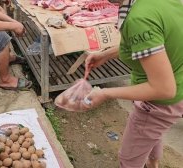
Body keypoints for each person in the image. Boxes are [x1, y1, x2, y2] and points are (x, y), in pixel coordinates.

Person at [63, 0, 183, 167]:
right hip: (178, 82)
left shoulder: (139, 19)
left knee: (129, 160)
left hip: (158, 103)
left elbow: (164, 89)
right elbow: (154, 40)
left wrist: (105, 93)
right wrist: (105, 54)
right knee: (152, 134)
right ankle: (152, 163)